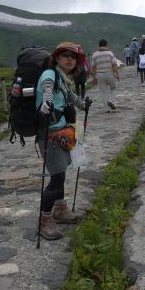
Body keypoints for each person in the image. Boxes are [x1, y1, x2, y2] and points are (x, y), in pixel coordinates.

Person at [36, 42, 92, 240]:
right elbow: (47, 88)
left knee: (60, 173)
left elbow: (71, 97)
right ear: (57, 57)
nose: (70, 59)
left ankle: (60, 209)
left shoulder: (63, 78)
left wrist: (84, 104)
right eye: (65, 55)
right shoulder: (50, 75)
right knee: (57, 178)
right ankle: (44, 220)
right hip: (49, 135)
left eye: (74, 56)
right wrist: (47, 101)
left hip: (62, 132)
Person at [90, 39, 120, 112]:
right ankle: (111, 100)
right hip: (109, 73)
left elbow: (93, 67)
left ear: (99, 45)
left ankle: (107, 109)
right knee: (113, 88)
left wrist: (94, 78)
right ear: (106, 45)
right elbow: (114, 64)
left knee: (103, 91)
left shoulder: (95, 54)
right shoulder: (110, 53)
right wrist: (117, 74)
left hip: (100, 75)